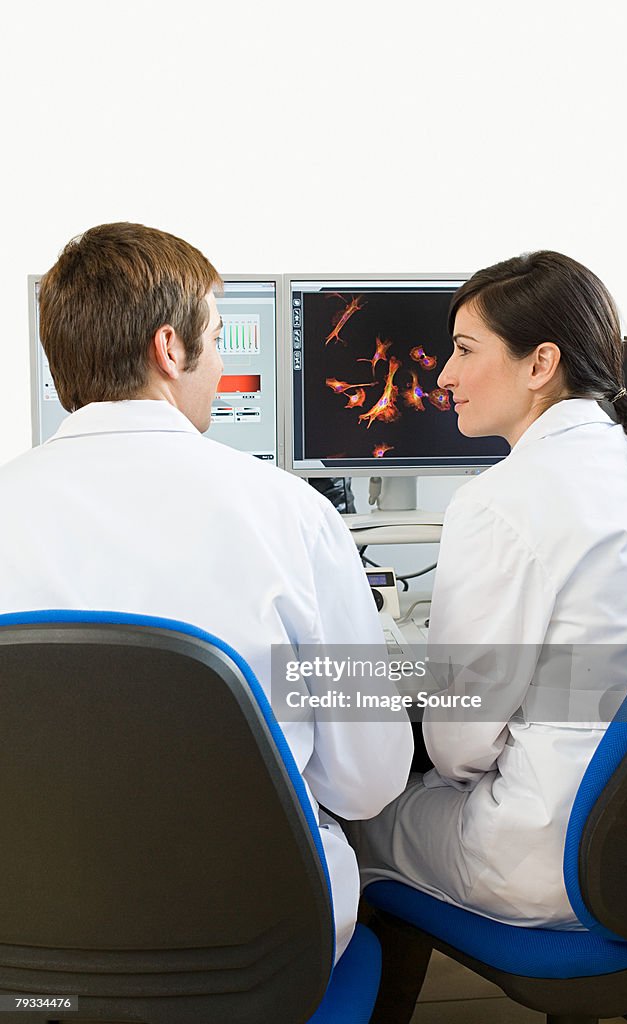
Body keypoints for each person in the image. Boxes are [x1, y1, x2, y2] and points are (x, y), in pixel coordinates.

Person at [0, 222, 413, 960]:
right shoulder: (291, 515)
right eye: (217, 338)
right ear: (169, 349)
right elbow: (366, 783)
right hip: (257, 938)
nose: (219, 364)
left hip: (31, 936)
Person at [355, 250, 627, 928]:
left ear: (539, 365)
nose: (443, 375)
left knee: (345, 820)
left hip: (548, 857)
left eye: (463, 349)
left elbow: (456, 746)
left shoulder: (500, 502)